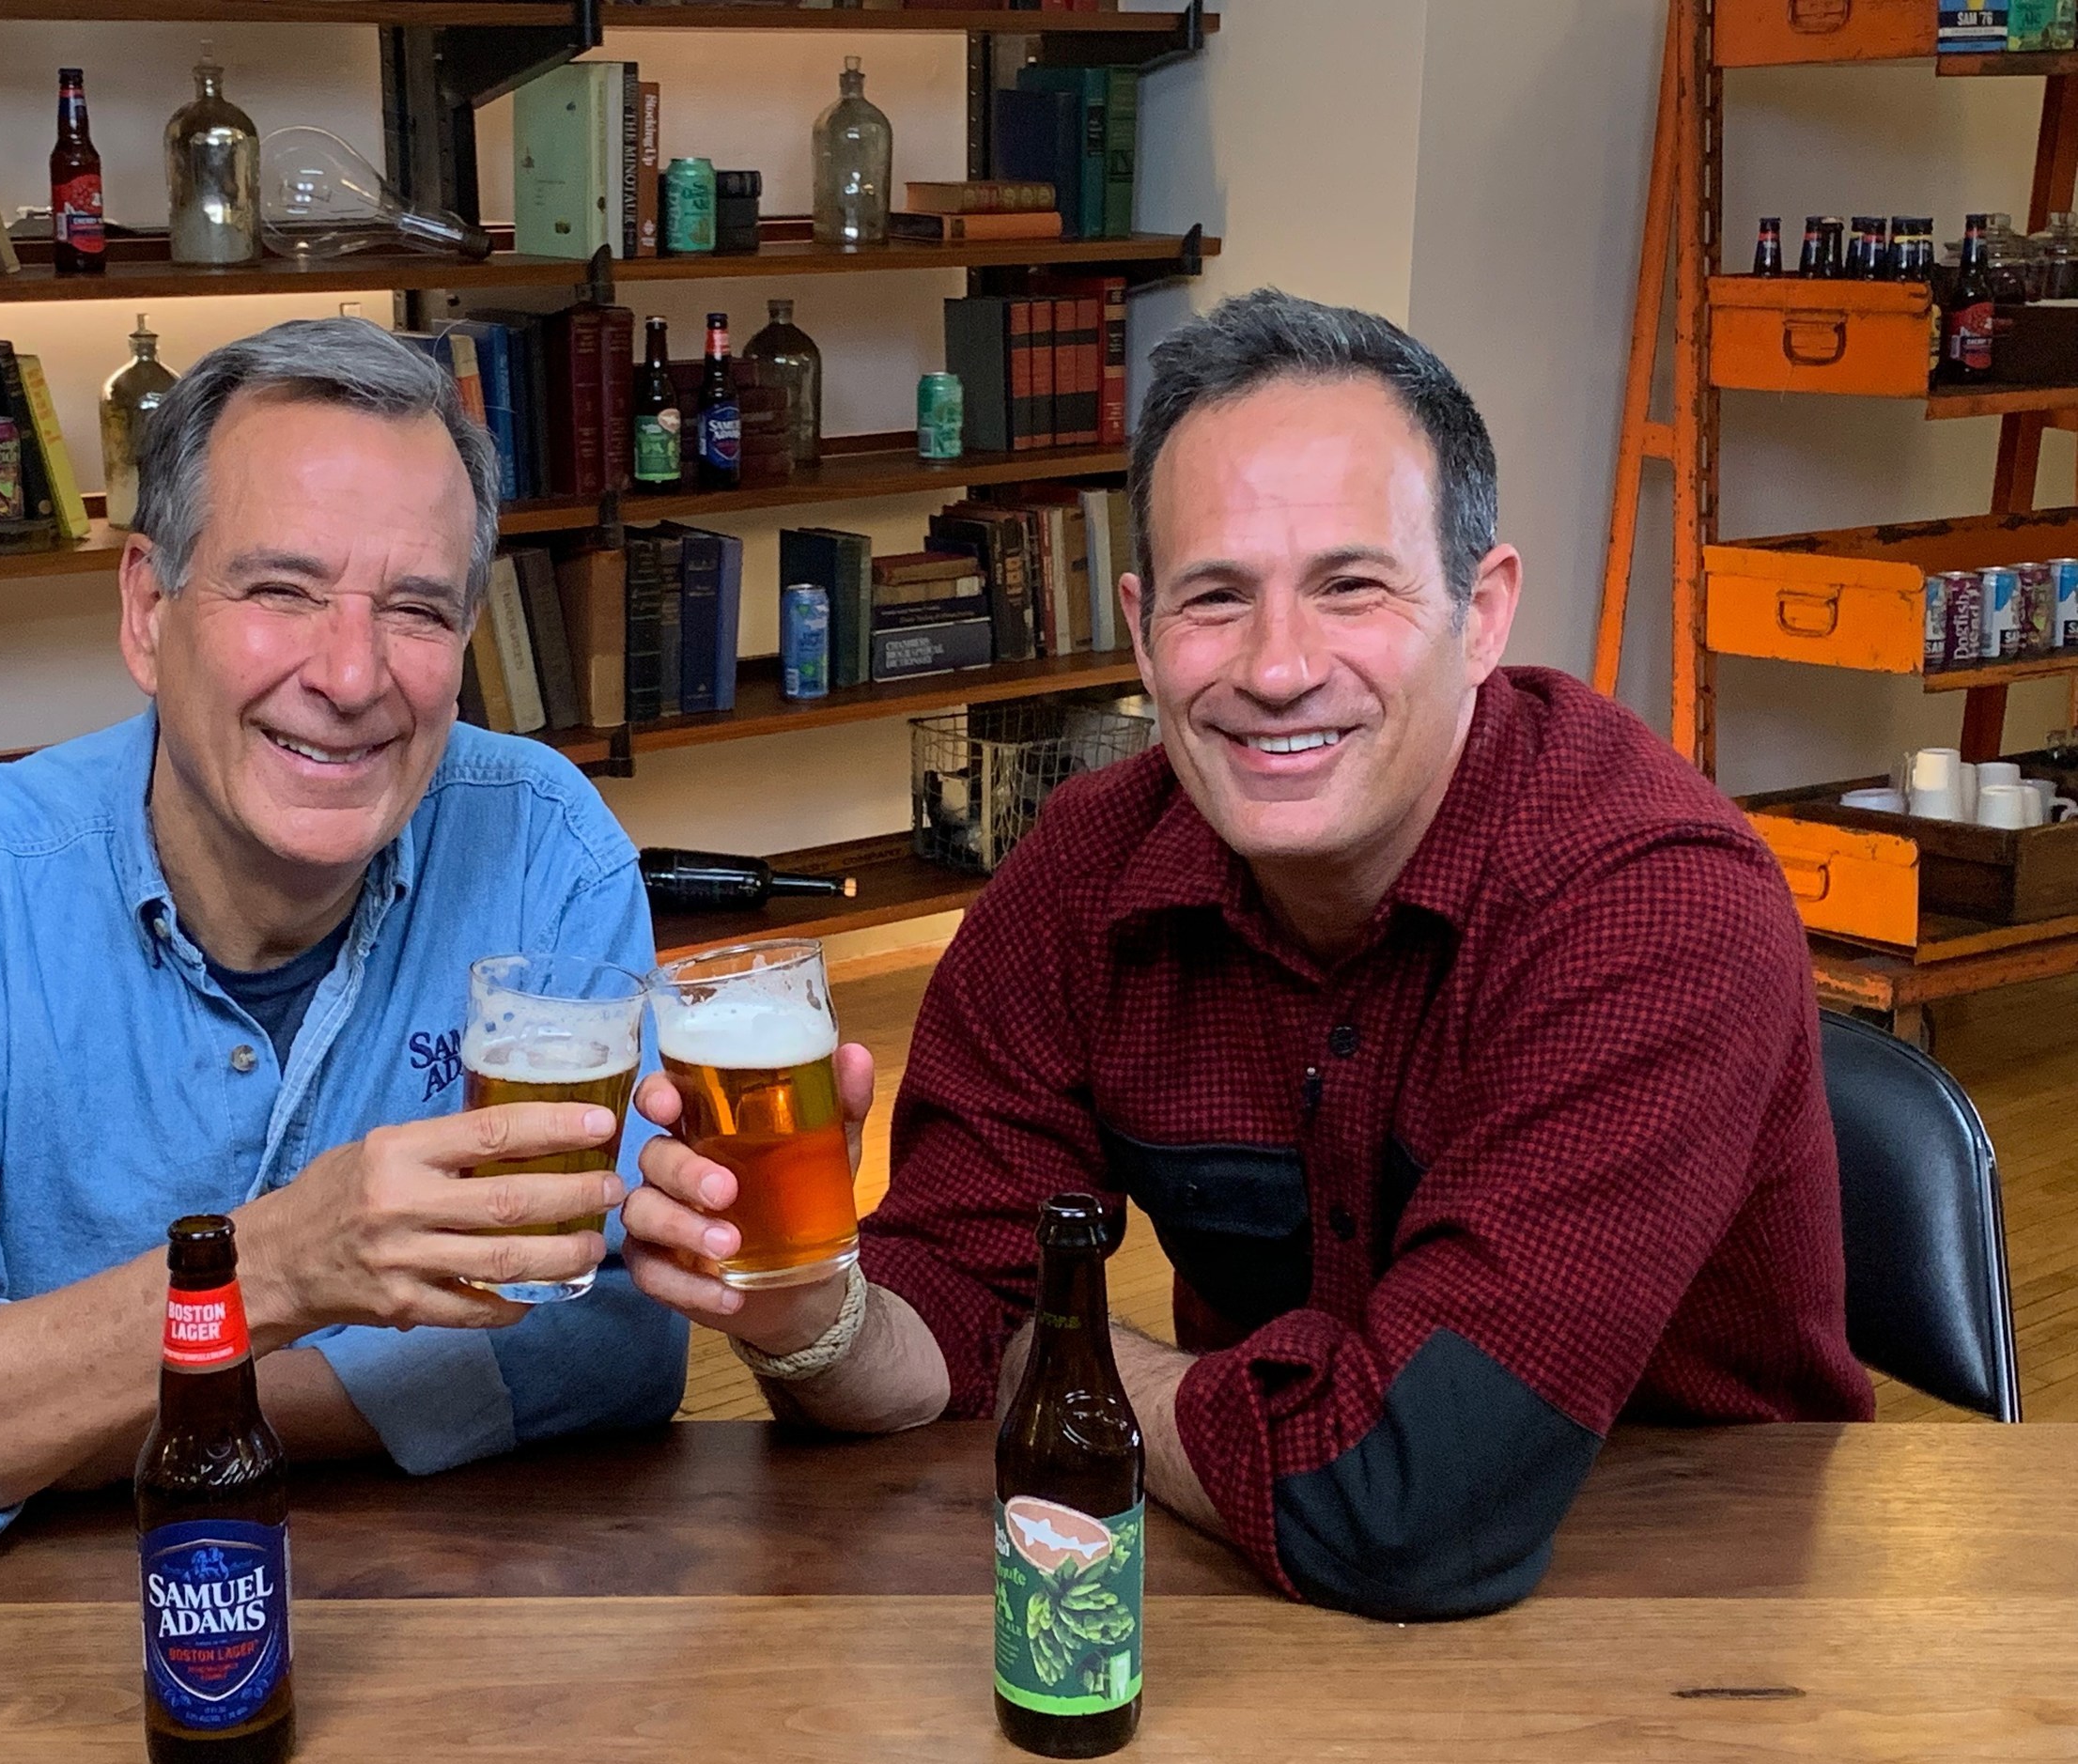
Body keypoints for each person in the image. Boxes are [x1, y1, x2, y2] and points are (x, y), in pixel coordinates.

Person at [626, 288, 1873, 1620]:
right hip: (1250, 1580)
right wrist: (817, 1318)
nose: (1278, 669)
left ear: (1485, 609)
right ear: (1143, 631)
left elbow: (1409, 1506)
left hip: (1695, 1622)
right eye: (1215, 598)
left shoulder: (1655, 906)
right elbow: (951, 1312)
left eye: (1351, 585)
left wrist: (1080, 1357)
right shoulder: (1088, 871)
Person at [0, 318, 685, 1553]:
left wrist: (137, 1412)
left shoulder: (547, 847)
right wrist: (277, 1268)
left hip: (464, 1622)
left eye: (414, 609)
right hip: (23, 1674)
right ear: (147, 609)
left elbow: (616, 1334)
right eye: (282, 590)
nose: (351, 677)